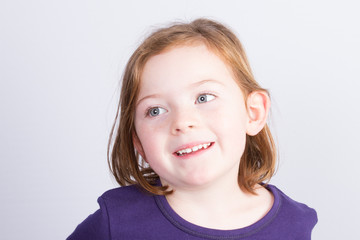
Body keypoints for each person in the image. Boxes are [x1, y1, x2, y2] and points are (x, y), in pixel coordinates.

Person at [67, 18, 317, 239]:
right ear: (139, 142)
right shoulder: (116, 223)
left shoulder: (294, 224)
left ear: (253, 113)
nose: (182, 122)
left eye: (204, 98)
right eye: (155, 111)